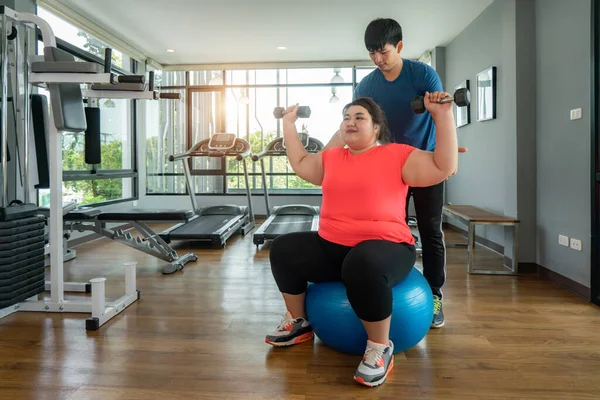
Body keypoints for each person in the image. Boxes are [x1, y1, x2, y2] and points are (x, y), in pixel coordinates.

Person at [265, 94, 458, 387]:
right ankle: (299, 322)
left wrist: (442, 115)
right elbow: (301, 162)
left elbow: (443, 166)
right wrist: (288, 124)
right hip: (334, 247)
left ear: (376, 128)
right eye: (346, 118)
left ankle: (380, 348)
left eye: (359, 117)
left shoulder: (397, 155)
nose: (350, 122)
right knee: (283, 249)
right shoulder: (331, 158)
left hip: (388, 248)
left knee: (362, 262)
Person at [323, 17, 462, 329]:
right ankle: (377, 282)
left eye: (383, 51)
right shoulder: (367, 86)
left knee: (430, 230)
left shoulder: (423, 74)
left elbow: (442, 118)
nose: (377, 59)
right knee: (380, 230)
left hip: (421, 163)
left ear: (399, 46)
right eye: (372, 53)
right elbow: (358, 125)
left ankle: (435, 293)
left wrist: (446, 159)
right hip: (384, 170)